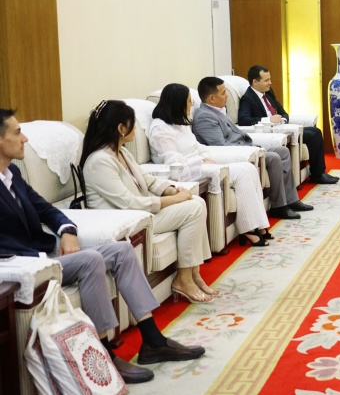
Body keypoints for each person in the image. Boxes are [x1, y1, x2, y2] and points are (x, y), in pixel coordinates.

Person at [0, 109, 205, 384]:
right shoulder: (99, 160)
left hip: (45, 255)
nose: (25, 138)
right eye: (17, 132)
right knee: (91, 260)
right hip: (23, 266)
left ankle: (153, 340)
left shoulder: (11, 173)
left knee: (121, 250)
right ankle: (105, 353)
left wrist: (67, 230)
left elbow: (45, 209)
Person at [81, 100, 215, 305]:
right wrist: (174, 199)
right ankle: (183, 279)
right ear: (121, 128)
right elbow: (129, 203)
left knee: (196, 201)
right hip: (127, 219)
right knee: (193, 209)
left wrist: (172, 189)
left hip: (141, 212)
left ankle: (193, 273)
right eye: (133, 124)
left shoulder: (121, 152)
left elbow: (148, 180)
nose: (136, 129)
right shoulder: (99, 161)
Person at [149, 83, 273, 247]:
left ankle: (259, 225)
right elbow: (173, 161)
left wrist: (207, 157)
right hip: (187, 170)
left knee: (248, 168)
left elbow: (198, 146)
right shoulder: (160, 128)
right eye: (189, 101)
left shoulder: (180, 122)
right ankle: (248, 229)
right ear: (178, 103)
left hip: (199, 163)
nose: (192, 104)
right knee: (242, 172)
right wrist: (201, 161)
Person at [193, 76, 313, 219]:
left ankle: (291, 200)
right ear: (212, 98)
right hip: (239, 153)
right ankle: (279, 207)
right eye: (223, 93)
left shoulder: (217, 110)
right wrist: (251, 150)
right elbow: (221, 145)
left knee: (283, 151)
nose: (227, 96)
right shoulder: (205, 117)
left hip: (247, 147)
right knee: (274, 157)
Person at [237, 65, 339, 185]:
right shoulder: (247, 98)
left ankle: (319, 173)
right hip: (270, 132)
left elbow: (283, 113)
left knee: (316, 131)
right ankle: (317, 175)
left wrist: (282, 120)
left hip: (282, 127)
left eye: (270, 79)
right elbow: (243, 120)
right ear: (255, 82)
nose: (270, 83)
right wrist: (268, 120)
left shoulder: (268, 92)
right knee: (312, 136)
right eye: (266, 80)